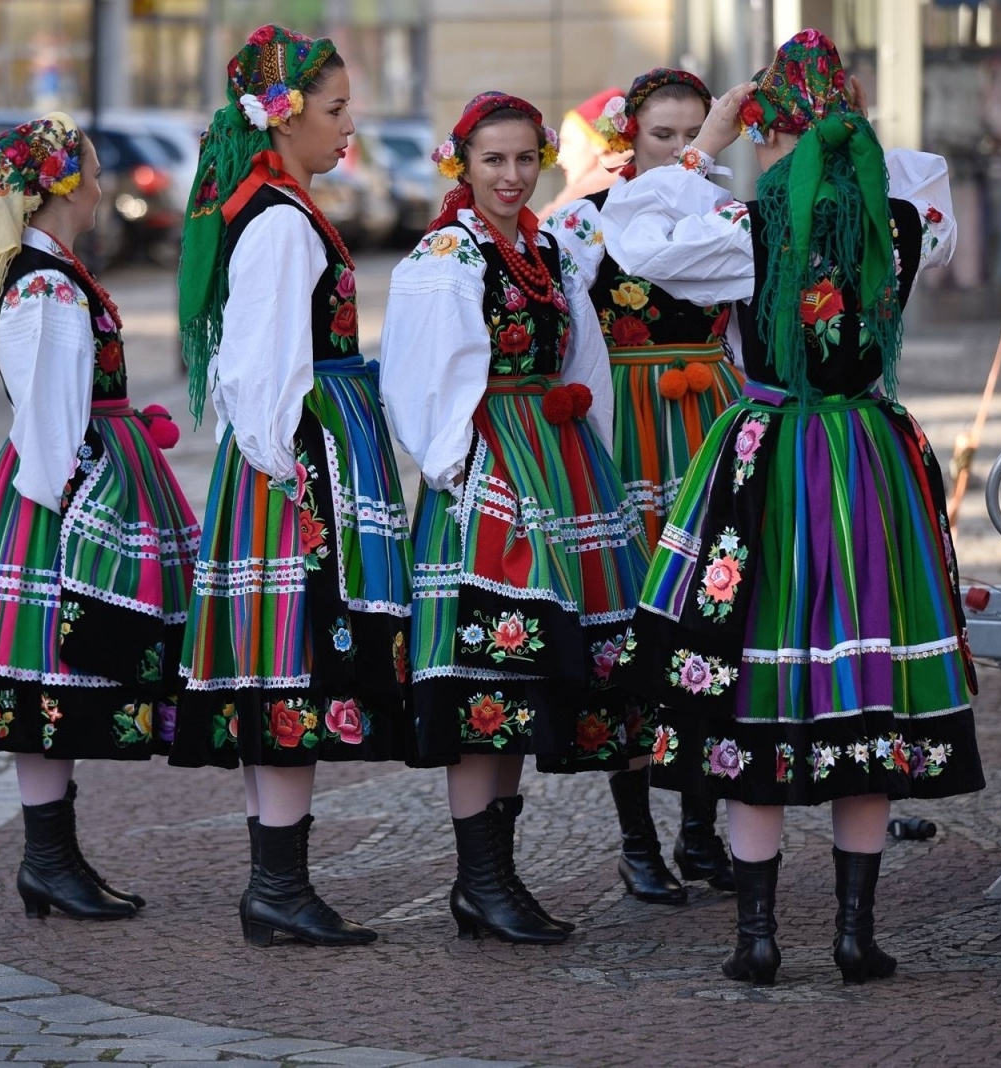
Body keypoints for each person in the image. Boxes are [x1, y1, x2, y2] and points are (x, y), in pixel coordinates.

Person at [600, 30, 984, 985]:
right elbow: (928, 186)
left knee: (750, 684)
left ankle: (758, 938)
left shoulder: (748, 226)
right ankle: (855, 935)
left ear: (767, 132)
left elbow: (632, 232)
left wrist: (702, 149)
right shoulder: (903, 222)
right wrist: (844, 136)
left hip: (771, 459)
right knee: (867, 685)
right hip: (867, 459)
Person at [381, 92, 649, 945]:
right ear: (463, 164)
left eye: (525, 159)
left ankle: (493, 882)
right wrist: (463, 474)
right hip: (489, 469)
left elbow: (585, 358)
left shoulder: (545, 247)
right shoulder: (445, 253)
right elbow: (420, 379)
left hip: (555, 459)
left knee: (522, 680)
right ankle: (482, 882)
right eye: (493, 159)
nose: (511, 175)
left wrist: (590, 456)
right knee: (482, 674)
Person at [169, 25, 412, 950]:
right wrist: (294, 475)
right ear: (284, 114)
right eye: (338, 109)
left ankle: (278, 884)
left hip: (293, 457)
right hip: (293, 466)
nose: (350, 126)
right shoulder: (276, 220)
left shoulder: (281, 206)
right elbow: (258, 363)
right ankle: (277, 886)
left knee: (286, 671)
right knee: (292, 665)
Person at [0, 112, 200, 921]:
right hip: (62, 497)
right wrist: (85, 507)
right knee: (46, 674)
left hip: (82, 479)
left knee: (51, 680)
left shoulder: (56, 273)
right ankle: (47, 860)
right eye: (94, 166)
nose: (105, 180)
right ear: (65, 186)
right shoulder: (45, 286)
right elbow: (48, 420)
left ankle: (53, 860)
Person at [543, 68, 745, 908]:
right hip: (626, 426)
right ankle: (637, 840)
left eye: (693, 132)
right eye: (662, 135)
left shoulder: (727, 210)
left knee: (716, 620)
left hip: (714, 420)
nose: (679, 149)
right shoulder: (587, 219)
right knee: (630, 629)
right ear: (630, 136)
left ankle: (701, 829)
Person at [538, 87, 628, 219]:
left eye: (567, 142)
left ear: (598, 143)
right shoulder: (636, 172)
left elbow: (538, 230)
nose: (559, 158)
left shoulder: (593, 188)